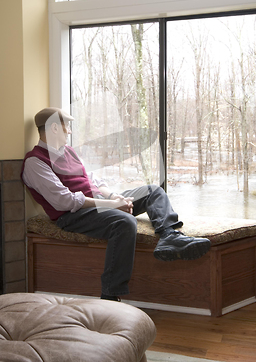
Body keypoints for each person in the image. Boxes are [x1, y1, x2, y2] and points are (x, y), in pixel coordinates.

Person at [21, 107, 211, 301]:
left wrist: (115, 198)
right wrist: (112, 205)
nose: (69, 131)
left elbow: (93, 182)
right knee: (125, 222)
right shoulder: (35, 162)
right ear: (54, 128)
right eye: (66, 126)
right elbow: (64, 201)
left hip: (95, 203)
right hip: (72, 215)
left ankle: (170, 236)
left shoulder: (69, 152)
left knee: (152, 191)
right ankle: (110, 294)